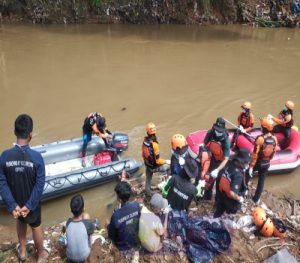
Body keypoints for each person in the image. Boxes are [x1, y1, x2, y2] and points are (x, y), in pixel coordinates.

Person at [0, 114, 48, 263]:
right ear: (31, 135)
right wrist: (29, 205)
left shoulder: (5, 156)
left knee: (21, 223)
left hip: (16, 203)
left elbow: (2, 182)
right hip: (31, 204)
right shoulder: (37, 157)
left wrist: (13, 205)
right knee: (36, 226)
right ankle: (41, 255)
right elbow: (39, 184)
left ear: (15, 132)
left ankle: (22, 251)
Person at [162, 155, 199, 238]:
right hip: (181, 213)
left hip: (168, 209)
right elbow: (190, 204)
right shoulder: (193, 189)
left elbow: (164, 190)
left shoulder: (174, 178)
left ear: (183, 169)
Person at [214, 148, 251, 218]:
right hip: (231, 202)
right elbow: (232, 193)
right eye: (245, 162)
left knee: (217, 214)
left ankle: (214, 221)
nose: (247, 164)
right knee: (230, 218)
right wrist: (239, 198)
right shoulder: (238, 175)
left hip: (222, 195)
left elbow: (220, 176)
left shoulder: (230, 163)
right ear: (239, 161)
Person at [248, 117, 277, 204]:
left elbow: (255, 154)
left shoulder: (260, 139)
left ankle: (243, 191)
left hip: (258, 163)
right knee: (261, 182)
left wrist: (251, 167)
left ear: (264, 128)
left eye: (262, 126)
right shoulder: (274, 139)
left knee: (246, 174)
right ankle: (256, 199)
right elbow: (274, 152)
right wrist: (268, 160)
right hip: (267, 163)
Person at [107, 181, 140, 255]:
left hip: (122, 249)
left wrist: (108, 226)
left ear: (119, 199)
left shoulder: (115, 215)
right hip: (135, 244)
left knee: (107, 223)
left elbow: (111, 237)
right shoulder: (136, 206)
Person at [203, 117, 230, 200]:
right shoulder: (211, 132)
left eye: (220, 131)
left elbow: (226, 159)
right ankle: (207, 196)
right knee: (209, 179)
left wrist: (217, 170)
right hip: (212, 158)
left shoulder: (226, 141)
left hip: (220, 163)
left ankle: (217, 201)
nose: (218, 132)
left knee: (219, 182)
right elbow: (205, 144)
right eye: (217, 130)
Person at [142, 122, 170, 196]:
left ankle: (148, 193)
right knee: (169, 166)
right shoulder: (154, 144)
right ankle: (167, 186)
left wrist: (148, 163)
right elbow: (157, 160)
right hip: (154, 167)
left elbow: (143, 155)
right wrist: (166, 161)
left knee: (148, 179)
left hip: (148, 165)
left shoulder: (144, 142)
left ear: (147, 132)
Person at [66, 194, 95, 263]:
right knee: (91, 236)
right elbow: (90, 237)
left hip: (70, 257)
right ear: (83, 209)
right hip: (84, 256)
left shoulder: (68, 222)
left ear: (71, 210)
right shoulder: (87, 223)